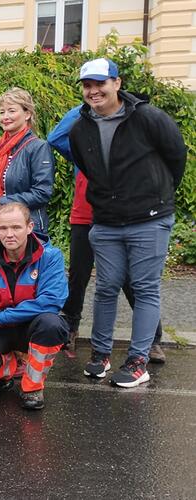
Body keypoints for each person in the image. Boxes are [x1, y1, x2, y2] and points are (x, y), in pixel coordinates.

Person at [68, 58, 186, 387]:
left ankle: (138, 360)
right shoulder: (81, 128)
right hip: (105, 220)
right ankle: (101, 355)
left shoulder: (148, 118)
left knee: (144, 288)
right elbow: (87, 167)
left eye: (100, 84)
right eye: (87, 86)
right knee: (106, 287)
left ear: (117, 83)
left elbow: (176, 156)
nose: (93, 91)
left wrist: (155, 194)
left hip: (150, 218)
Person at [48, 105, 166, 359]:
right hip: (84, 215)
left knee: (130, 279)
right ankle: (70, 329)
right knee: (78, 275)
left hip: (119, 218)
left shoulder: (130, 145)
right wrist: (86, 107)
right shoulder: (83, 146)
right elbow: (55, 138)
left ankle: (153, 339)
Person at [0, 202, 68, 410]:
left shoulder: (50, 257)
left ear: (29, 227)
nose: (9, 234)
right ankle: (9, 366)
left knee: (52, 324)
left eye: (16, 227)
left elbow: (51, 302)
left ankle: (32, 387)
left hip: (31, 328)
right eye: (3, 228)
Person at [0, 88, 54, 233]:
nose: (5, 117)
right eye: (2, 112)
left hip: (25, 229)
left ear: (27, 114)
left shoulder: (38, 147)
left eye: (11, 111)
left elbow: (42, 193)